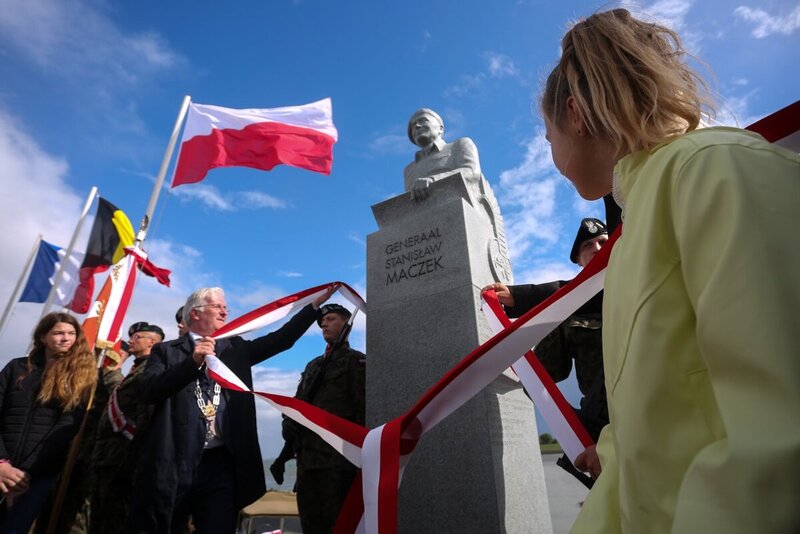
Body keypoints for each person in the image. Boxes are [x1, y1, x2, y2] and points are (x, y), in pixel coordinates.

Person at [540, 8, 800, 532]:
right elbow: (645, 431)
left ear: (575, 115)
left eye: (548, 138)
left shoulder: (714, 167)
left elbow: (780, 437)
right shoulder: (637, 229)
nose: (552, 156)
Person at [127, 286, 333, 534]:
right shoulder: (166, 351)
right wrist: (192, 362)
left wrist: (312, 307)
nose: (225, 312)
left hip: (222, 465)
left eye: (226, 307)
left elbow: (281, 340)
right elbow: (148, 392)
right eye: (218, 307)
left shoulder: (236, 349)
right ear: (195, 313)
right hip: (174, 463)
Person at [484, 217, 610, 482]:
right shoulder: (571, 315)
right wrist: (577, 430)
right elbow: (536, 377)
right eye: (589, 245)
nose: (598, 248)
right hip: (606, 432)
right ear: (578, 260)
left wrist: (520, 296)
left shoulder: (641, 280)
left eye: (603, 241)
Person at [0, 313, 95, 533]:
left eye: (71, 334)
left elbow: (65, 430)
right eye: (58, 333)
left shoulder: (79, 378)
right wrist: (2, 463)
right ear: (43, 336)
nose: (66, 338)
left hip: (36, 475)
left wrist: (23, 475)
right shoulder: (17, 368)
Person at [291, 304, 364, 534]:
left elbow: (363, 410)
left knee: (339, 525)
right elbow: (297, 404)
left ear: (346, 324)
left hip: (339, 463)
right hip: (308, 462)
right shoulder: (313, 365)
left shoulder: (357, 362)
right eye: (322, 321)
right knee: (311, 525)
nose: (324, 323)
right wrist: (287, 426)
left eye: (330, 319)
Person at [89, 322, 164, 534]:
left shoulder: (150, 369)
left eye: (137, 337)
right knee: (99, 517)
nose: (131, 340)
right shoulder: (137, 367)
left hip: (123, 459)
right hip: (106, 456)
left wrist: (111, 372)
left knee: (115, 520)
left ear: (152, 342)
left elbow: (135, 406)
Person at [403, 108, 483, 201]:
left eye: (423, 120)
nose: (416, 126)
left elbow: (472, 172)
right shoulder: (409, 169)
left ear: (440, 128)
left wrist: (433, 180)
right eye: (412, 126)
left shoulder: (459, 145)